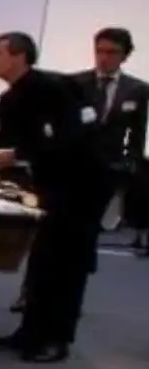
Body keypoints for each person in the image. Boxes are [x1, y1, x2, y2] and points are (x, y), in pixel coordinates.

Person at [0, 31, 106, 362]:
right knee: (42, 260)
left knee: (67, 264)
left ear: (19, 57)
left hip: (81, 186)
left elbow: (71, 137)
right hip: (47, 185)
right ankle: (30, 331)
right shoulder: (9, 102)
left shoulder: (56, 88)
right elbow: (8, 148)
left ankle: (56, 339)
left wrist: (17, 154)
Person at [69, 27, 147, 235]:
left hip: (109, 167)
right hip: (73, 165)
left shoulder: (137, 89)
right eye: (100, 51)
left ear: (125, 56)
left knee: (94, 226)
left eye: (112, 52)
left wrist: (130, 165)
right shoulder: (74, 83)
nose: (104, 58)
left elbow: (137, 132)